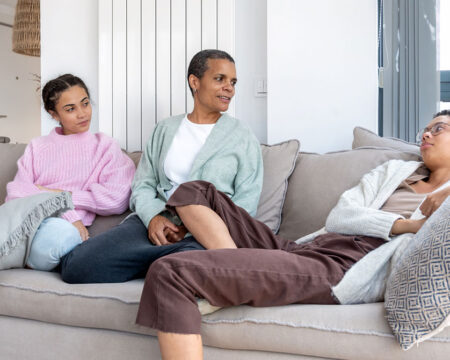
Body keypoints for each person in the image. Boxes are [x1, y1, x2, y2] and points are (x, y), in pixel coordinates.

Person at [136, 110, 450, 359]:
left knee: (169, 272)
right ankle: (234, 270)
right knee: (194, 190)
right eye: (426, 127)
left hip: (345, 266)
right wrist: (406, 224)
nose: (425, 133)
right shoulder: (393, 170)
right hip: (308, 246)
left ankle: (230, 275)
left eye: (439, 129)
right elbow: (341, 216)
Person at [59, 49, 263, 283]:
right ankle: (160, 261)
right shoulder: (165, 129)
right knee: (76, 265)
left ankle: (167, 264)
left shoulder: (242, 135)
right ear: (194, 82)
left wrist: (200, 227)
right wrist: (154, 217)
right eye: (220, 79)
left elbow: (247, 200)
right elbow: (143, 184)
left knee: (185, 271)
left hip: (207, 233)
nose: (230, 88)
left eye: (233, 82)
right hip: (157, 223)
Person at [5, 74, 136, 271]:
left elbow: (117, 199)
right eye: (70, 109)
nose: (82, 114)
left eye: (85, 103)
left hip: (59, 234)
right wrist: (67, 211)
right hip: (26, 225)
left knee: (65, 236)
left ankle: (15, 256)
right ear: (54, 115)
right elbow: (15, 195)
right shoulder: (37, 147)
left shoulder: (105, 147)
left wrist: (56, 195)